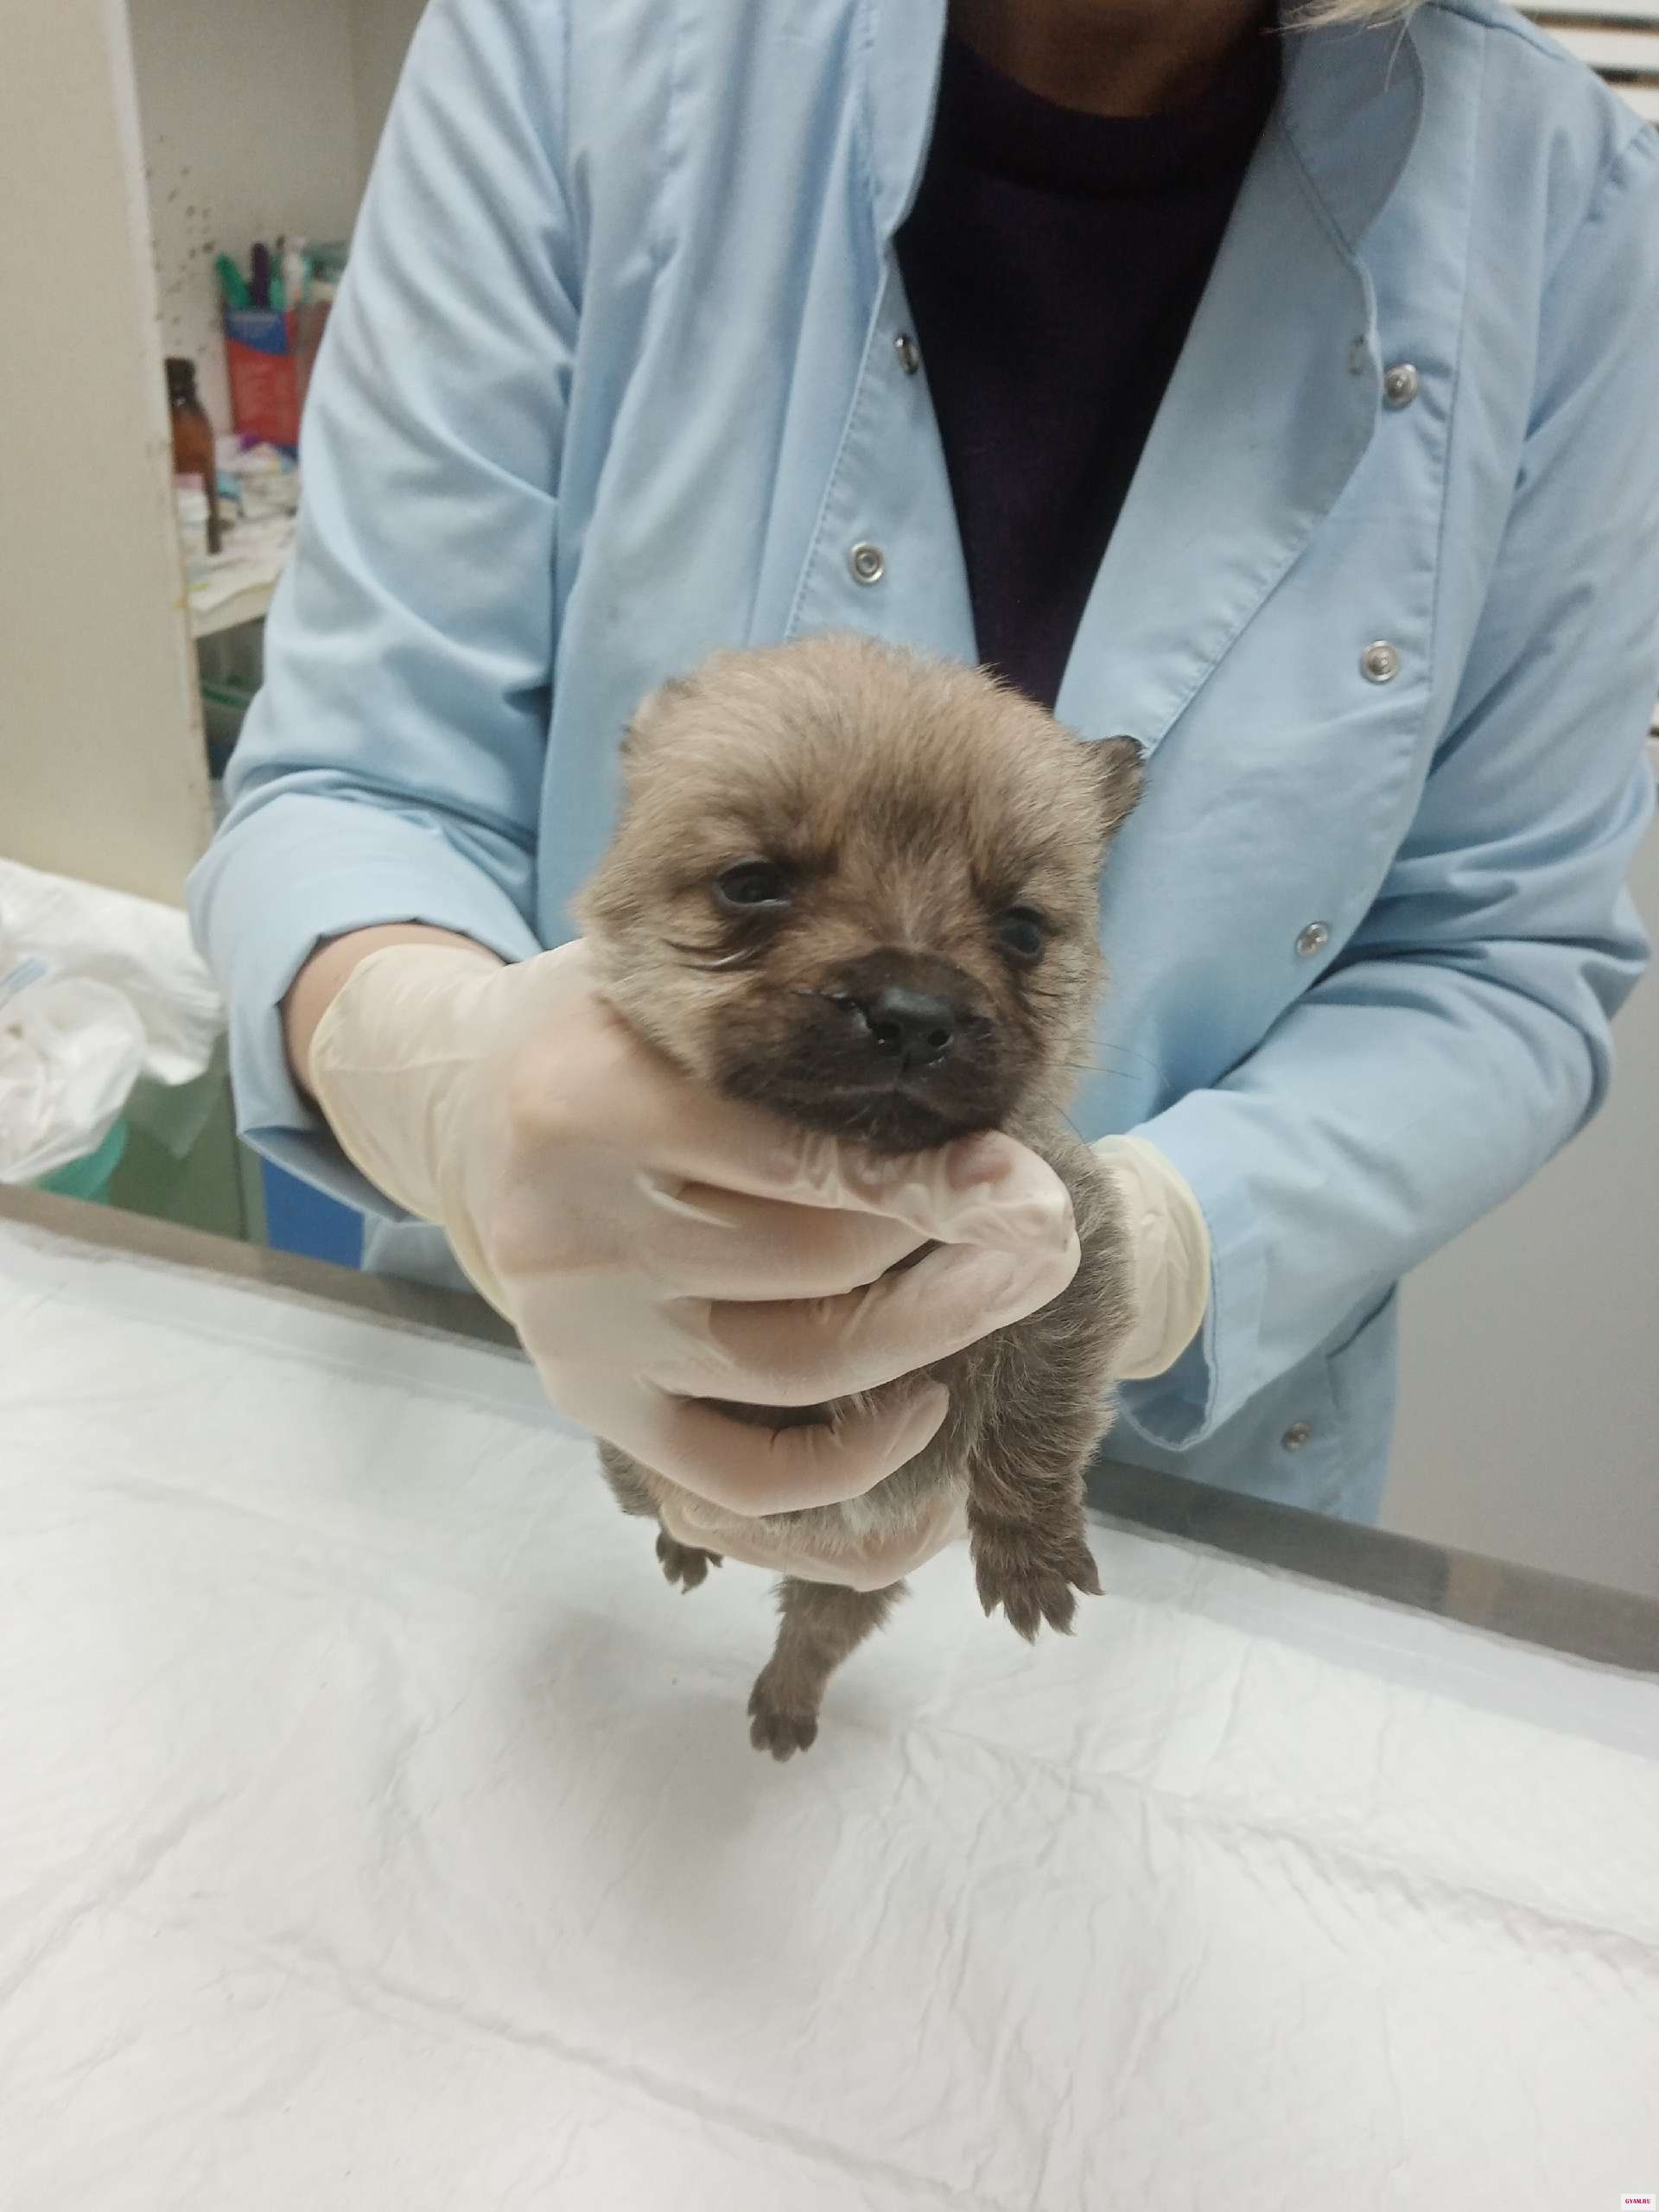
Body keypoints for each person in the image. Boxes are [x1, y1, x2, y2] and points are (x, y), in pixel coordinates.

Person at [190, 0, 1659, 1577]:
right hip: (555, 1411)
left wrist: (1152, 1248)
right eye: (759, 885)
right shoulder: (572, 38)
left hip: (1157, 1498)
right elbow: (354, 779)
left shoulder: (1568, 206)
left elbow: (1495, 955)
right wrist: (440, 1072)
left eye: (1012, 934)